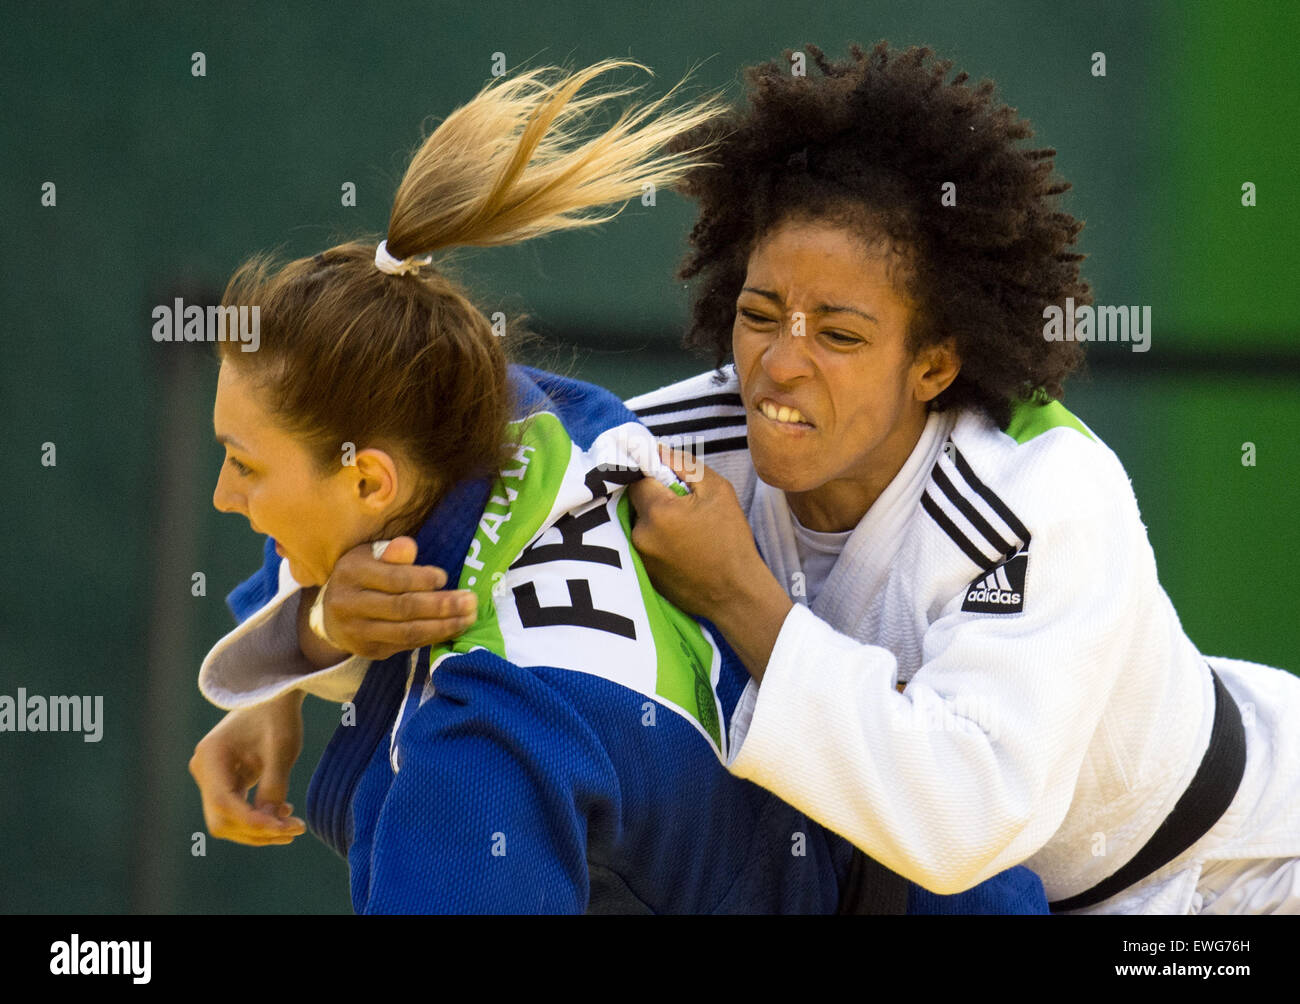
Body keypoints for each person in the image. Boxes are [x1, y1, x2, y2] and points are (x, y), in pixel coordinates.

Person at [190, 57, 1048, 914]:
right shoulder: (554, 419)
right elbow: (361, 507)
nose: (228, 494)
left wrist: (308, 640)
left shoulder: (481, 745)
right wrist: (305, 638)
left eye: (245, 463)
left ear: (372, 479)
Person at [620, 42, 1300, 915]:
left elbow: (960, 820)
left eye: (840, 335)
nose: (779, 365)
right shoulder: (680, 446)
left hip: (1248, 865)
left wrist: (738, 595)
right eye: (758, 317)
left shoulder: (1044, 496)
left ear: (934, 366)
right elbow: (494, 487)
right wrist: (383, 587)